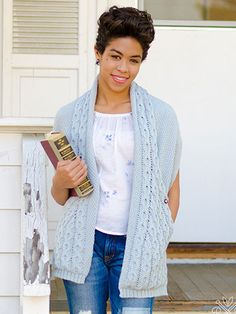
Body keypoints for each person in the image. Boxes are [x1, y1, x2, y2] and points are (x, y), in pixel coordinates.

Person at [51, 5, 182, 314]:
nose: (123, 68)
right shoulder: (68, 116)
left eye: (133, 60)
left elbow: (172, 187)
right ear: (98, 52)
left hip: (136, 246)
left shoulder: (162, 116)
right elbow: (61, 197)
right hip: (86, 245)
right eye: (115, 56)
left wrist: (157, 235)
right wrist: (60, 181)